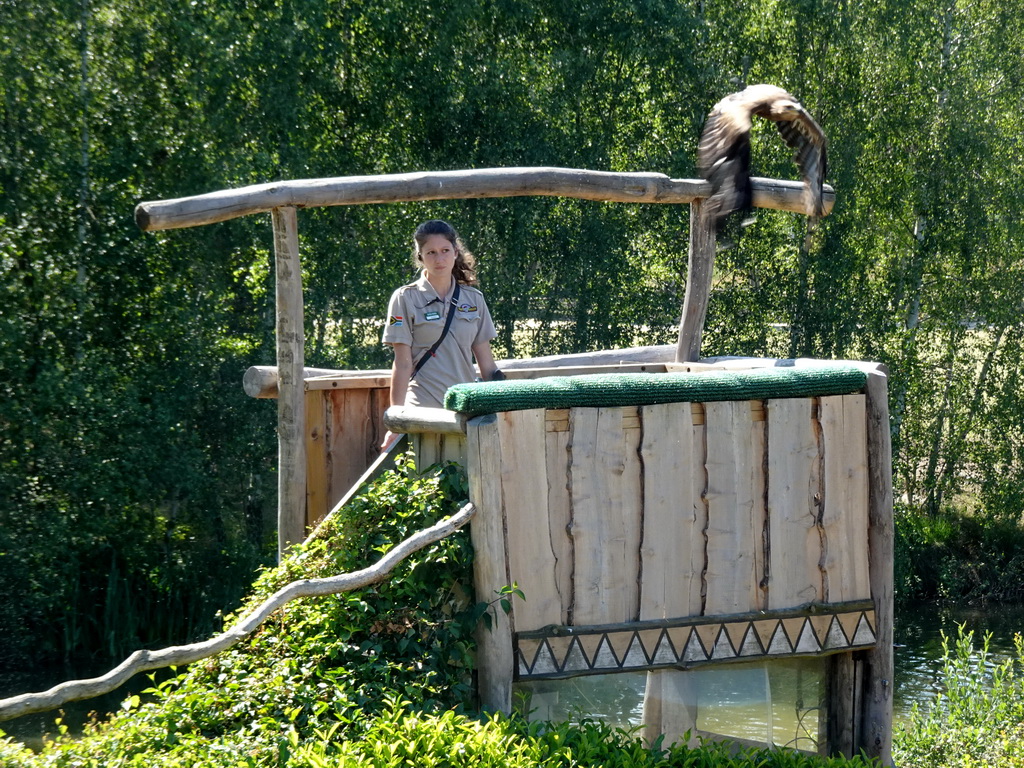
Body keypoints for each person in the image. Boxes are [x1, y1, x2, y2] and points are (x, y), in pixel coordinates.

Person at [380, 220, 500, 449]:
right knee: (423, 479)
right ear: (420, 256)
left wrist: (500, 407)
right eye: (431, 252)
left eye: (445, 251)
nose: (439, 259)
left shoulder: (474, 299)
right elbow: (402, 363)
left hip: (464, 408)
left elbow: (486, 362)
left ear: (456, 252)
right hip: (421, 408)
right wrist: (395, 422)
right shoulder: (405, 298)